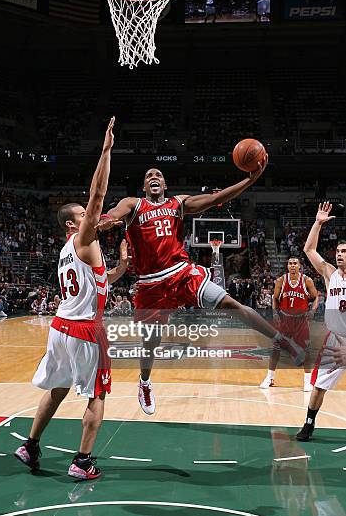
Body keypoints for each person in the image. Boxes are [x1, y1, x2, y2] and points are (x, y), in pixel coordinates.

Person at [97, 161, 305, 415]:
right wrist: (107, 219)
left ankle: (282, 340)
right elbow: (115, 213)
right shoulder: (134, 204)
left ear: (164, 184)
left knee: (232, 304)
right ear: (144, 185)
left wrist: (249, 181)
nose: (154, 176)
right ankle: (145, 381)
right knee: (151, 341)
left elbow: (215, 198)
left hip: (182, 274)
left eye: (158, 175)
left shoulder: (178, 204)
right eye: (149, 174)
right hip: (151, 284)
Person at [15, 118, 127, 479]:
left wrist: (122, 266)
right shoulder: (82, 238)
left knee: (58, 387)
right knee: (98, 395)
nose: (93, 216)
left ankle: (29, 445)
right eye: (84, 216)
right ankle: (82, 461)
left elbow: (99, 282)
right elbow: (97, 195)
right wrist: (106, 150)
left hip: (60, 327)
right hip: (84, 331)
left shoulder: (70, 250)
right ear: (71, 224)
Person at [296, 202, 346, 442]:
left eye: (344, 251)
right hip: (335, 339)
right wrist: (317, 223)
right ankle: (309, 423)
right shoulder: (329, 273)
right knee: (320, 385)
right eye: (338, 251)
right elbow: (309, 250)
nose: (339, 254)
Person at [260, 257, 319, 392]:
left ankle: (307, 381)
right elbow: (275, 298)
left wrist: (313, 310)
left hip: (301, 320)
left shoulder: (306, 280)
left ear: (299, 266)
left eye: (295, 263)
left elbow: (316, 297)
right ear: (287, 266)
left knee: (306, 350)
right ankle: (269, 378)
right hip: (285, 320)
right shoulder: (281, 280)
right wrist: (275, 313)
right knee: (276, 348)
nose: (292, 266)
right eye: (290, 263)